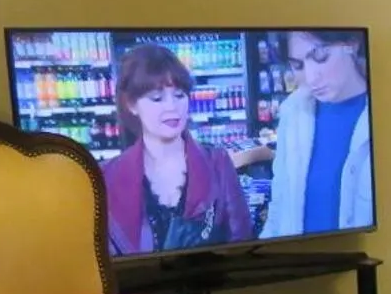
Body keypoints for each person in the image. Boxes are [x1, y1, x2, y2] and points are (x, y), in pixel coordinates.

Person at [100, 44, 253, 255]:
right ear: (131, 104)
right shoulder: (106, 177)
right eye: (157, 98)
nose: (172, 107)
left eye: (180, 95)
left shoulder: (217, 163)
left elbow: (242, 247)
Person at [261, 29, 373, 238]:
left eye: (320, 56)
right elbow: (279, 206)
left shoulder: (384, 110)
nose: (311, 78)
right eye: (298, 65)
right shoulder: (293, 112)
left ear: (352, 44)